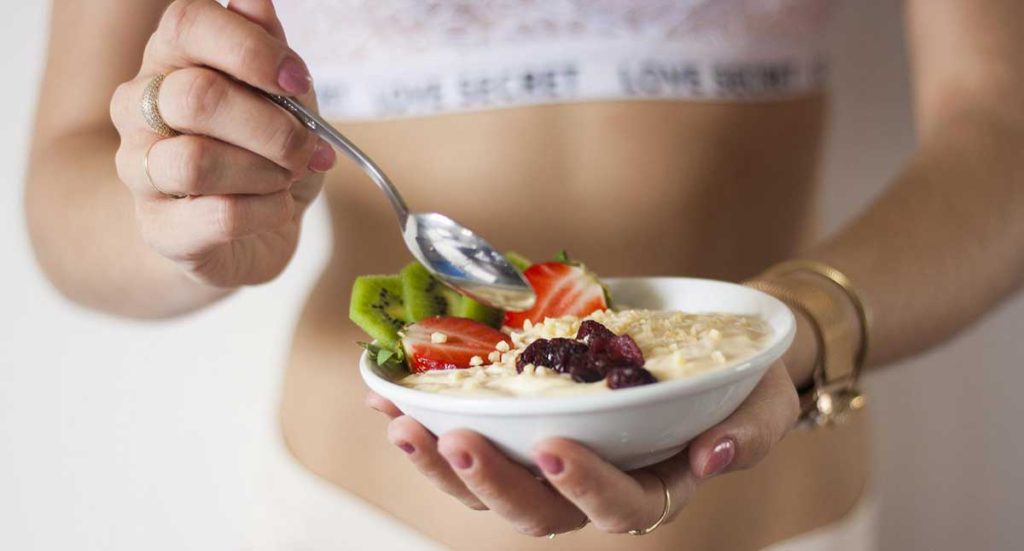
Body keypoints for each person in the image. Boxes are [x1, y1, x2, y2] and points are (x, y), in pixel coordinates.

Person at [24, 0, 1023, 549]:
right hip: (360, 516)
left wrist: (803, 331)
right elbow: (66, 189)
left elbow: (1003, 134)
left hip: (769, 510)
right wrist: (182, 206)